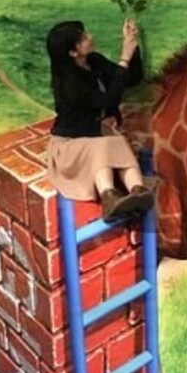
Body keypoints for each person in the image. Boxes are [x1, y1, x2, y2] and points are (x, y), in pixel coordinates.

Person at [45, 18, 153, 222]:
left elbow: (130, 78)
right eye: (83, 38)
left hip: (95, 136)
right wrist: (124, 58)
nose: (90, 37)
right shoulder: (69, 83)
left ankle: (138, 191)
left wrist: (131, 44)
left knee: (115, 142)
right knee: (102, 147)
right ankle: (109, 197)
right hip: (70, 146)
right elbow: (108, 99)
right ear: (73, 52)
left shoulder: (93, 61)